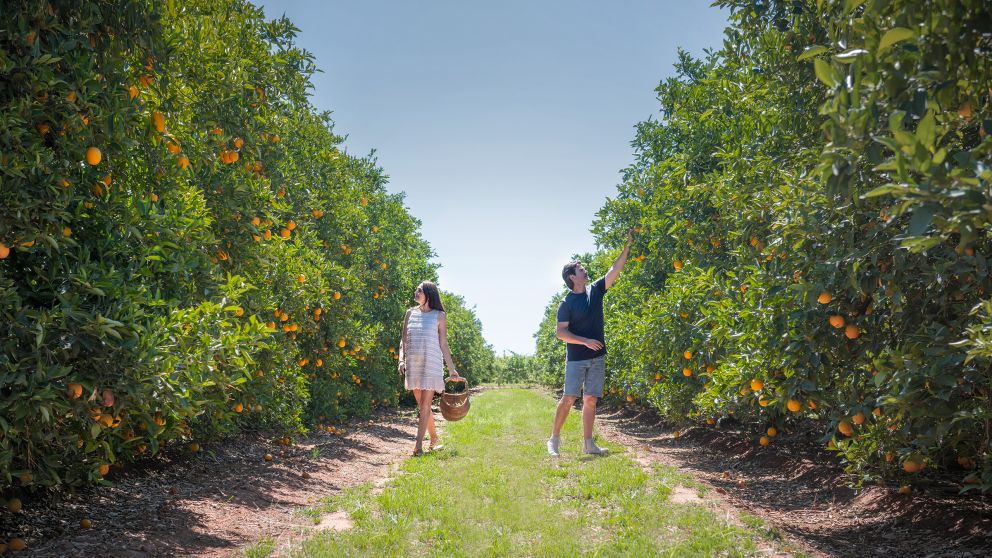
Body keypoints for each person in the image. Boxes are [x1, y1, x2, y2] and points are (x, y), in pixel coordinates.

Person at [548, 234, 633, 456]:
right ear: (572, 277)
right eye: (580, 268)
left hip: (598, 357)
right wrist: (585, 341)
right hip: (576, 358)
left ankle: (588, 444)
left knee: (591, 399)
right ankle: (554, 439)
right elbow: (561, 333)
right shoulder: (566, 303)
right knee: (569, 398)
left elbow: (615, 269)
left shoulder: (595, 290)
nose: (585, 270)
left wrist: (627, 246)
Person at [398, 280, 461, 456]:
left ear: (429, 294)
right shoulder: (410, 313)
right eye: (416, 289)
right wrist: (401, 360)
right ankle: (434, 438)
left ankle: (418, 447)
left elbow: (443, 343)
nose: (416, 292)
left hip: (431, 364)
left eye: (420, 290)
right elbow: (403, 340)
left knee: (426, 405)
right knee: (421, 405)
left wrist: (451, 368)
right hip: (413, 364)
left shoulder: (439, 315)